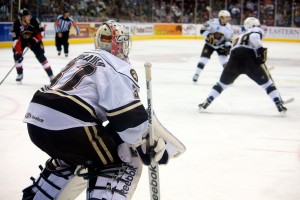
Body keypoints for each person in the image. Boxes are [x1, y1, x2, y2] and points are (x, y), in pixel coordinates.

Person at [21, 20, 182, 199]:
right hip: (71, 125)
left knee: (77, 157)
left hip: (36, 120)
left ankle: (41, 195)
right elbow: (128, 121)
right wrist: (145, 143)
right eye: (121, 42)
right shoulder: (119, 66)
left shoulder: (83, 56)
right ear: (118, 45)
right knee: (124, 157)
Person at [198, 17, 287, 115]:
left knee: (221, 84)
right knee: (268, 84)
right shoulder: (255, 30)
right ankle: (279, 104)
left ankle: (206, 102)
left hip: (234, 59)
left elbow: (231, 48)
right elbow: (254, 38)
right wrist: (260, 49)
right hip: (248, 58)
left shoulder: (239, 36)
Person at [11, 8, 54, 83]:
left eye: (29, 15)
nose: (29, 17)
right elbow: (15, 40)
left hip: (34, 39)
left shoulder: (35, 21)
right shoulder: (16, 25)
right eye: (27, 16)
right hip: (22, 41)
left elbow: (42, 32)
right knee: (17, 56)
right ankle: (19, 74)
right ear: (22, 18)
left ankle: (51, 75)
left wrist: (35, 39)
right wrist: (18, 52)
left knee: (41, 56)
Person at [192, 10, 234, 83]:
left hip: (221, 45)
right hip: (209, 44)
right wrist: (209, 36)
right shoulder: (212, 22)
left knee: (224, 62)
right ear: (221, 17)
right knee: (203, 59)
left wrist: (227, 46)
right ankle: (196, 74)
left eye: (228, 17)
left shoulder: (229, 27)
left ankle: (229, 77)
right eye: (226, 17)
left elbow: (228, 39)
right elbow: (202, 30)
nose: (228, 19)